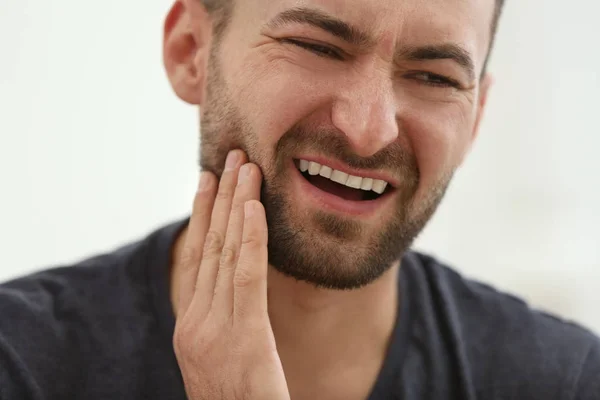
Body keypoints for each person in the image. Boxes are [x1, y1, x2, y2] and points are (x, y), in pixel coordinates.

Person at [1, 0, 599, 398]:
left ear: (476, 119)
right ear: (190, 51)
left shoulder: (562, 382)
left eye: (436, 78)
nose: (369, 128)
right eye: (318, 46)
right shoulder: (21, 363)